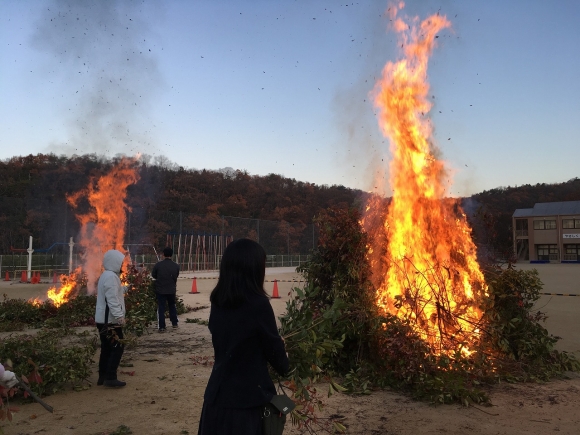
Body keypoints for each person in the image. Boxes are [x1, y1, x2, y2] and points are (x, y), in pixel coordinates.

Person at [198, 238, 289, 435]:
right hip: (247, 404)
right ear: (253, 269)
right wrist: (283, 351)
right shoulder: (259, 305)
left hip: (217, 398)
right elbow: (279, 360)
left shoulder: (218, 301)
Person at [95, 249, 127, 388]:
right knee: (118, 346)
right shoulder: (111, 277)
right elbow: (112, 299)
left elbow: (114, 292)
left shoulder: (106, 275)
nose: (122, 265)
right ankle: (111, 377)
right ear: (114, 262)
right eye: (120, 262)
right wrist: (119, 316)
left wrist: (125, 289)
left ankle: (102, 376)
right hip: (110, 321)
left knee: (106, 348)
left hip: (102, 320)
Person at [151, 247, 180, 332]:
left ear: (163, 254)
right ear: (172, 255)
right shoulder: (176, 266)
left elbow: (154, 275)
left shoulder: (158, 265)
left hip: (161, 289)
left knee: (161, 308)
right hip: (171, 289)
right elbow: (176, 275)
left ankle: (162, 326)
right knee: (172, 306)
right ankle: (174, 323)